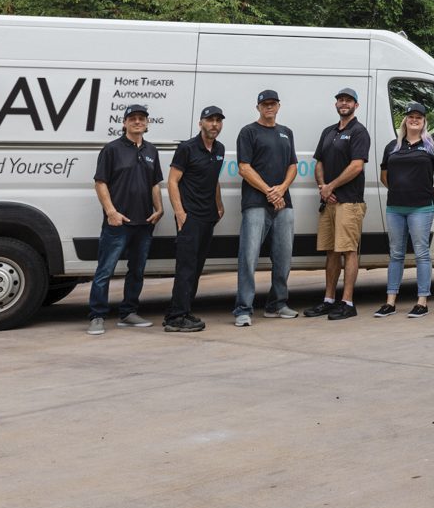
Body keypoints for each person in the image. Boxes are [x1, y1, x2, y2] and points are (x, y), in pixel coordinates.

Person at [86, 102, 163, 334]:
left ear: (147, 123)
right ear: (124, 123)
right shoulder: (111, 149)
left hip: (144, 223)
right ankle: (97, 316)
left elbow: (155, 184)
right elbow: (100, 183)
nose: (137, 121)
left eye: (142, 118)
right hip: (118, 223)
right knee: (105, 270)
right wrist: (111, 212)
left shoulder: (151, 151)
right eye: (133, 118)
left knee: (137, 271)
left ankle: (128, 313)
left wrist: (159, 209)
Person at [376, 100, 434, 317]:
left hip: (421, 208)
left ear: (424, 121)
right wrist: (399, 189)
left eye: (418, 117)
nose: (414, 120)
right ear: (405, 121)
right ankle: (390, 301)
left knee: (421, 253)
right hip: (395, 208)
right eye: (411, 117)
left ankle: (422, 301)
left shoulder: (432, 145)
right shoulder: (393, 146)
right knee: (396, 254)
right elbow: (384, 176)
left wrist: (431, 194)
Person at [234, 88, 299, 326]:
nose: (269, 107)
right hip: (256, 203)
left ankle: (277, 304)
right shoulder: (248, 132)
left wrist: (280, 189)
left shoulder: (286, 133)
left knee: (283, 256)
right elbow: (244, 167)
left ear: (279, 106)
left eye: (273, 104)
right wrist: (270, 192)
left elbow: (293, 165)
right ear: (258, 107)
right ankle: (243, 309)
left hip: (284, 203)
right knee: (248, 257)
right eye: (265, 104)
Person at [306, 87, 371, 320]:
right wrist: (323, 188)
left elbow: (356, 166)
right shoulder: (328, 131)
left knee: (348, 251)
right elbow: (319, 163)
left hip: (349, 202)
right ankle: (329, 299)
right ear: (336, 105)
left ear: (356, 105)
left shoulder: (359, 132)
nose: (344, 103)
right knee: (331, 253)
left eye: (348, 100)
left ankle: (348, 302)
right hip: (329, 202)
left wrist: (330, 187)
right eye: (340, 100)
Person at [163, 105, 227, 333]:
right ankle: (175, 318)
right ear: (200, 123)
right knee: (186, 268)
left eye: (218, 121)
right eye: (210, 120)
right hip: (190, 217)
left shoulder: (219, 149)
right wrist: (180, 213)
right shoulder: (187, 148)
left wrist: (219, 204)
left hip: (208, 216)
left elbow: (213, 179)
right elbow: (172, 181)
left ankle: (183, 310)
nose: (214, 125)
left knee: (197, 267)